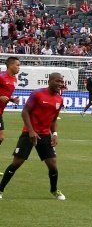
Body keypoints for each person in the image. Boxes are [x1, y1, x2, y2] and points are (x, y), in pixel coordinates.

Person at [0, 72, 66, 200]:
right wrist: (31, 131)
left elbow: (53, 120)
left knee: (52, 164)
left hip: (45, 135)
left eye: (61, 81)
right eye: (57, 81)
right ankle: (0, 189)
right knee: (17, 162)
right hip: (28, 133)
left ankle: (54, 190)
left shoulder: (59, 99)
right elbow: (25, 112)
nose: (60, 84)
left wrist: (55, 134)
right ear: (50, 81)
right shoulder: (37, 94)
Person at [0, 57, 21, 150]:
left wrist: (12, 99)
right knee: (0, 137)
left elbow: (4, 94)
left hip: (0, 111)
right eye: (17, 65)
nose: (19, 67)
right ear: (11, 65)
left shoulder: (14, 79)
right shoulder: (1, 77)